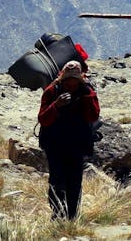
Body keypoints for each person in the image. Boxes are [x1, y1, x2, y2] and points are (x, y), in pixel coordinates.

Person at [37, 60, 100, 220]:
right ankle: (58, 214)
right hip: (55, 144)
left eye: (74, 84)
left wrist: (85, 95)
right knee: (57, 179)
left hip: (77, 144)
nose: (71, 87)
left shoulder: (87, 91)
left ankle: (72, 215)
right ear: (62, 80)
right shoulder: (52, 91)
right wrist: (56, 106)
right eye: (68, 83)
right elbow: (43, 119)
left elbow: (93, 116)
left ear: (80, 80)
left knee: (74, 181)